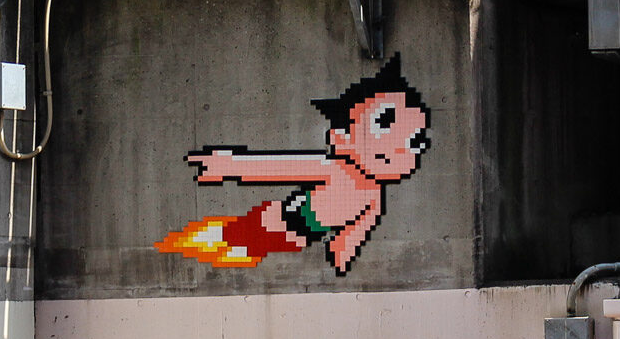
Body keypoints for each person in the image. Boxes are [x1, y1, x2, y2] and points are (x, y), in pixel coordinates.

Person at [156, 55, 432, 275]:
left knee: (234, 249)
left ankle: (195, 243)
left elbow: (357, 229)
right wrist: (227, 165)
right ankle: (179, 244)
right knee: (225, 238)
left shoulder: (374, 197)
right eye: (383, 124)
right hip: (280, 219)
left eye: (414, 140)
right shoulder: (334, 168)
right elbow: (278, 167)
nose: (401, 146)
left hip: (299, 237)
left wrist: (342, 253)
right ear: (340, 137)